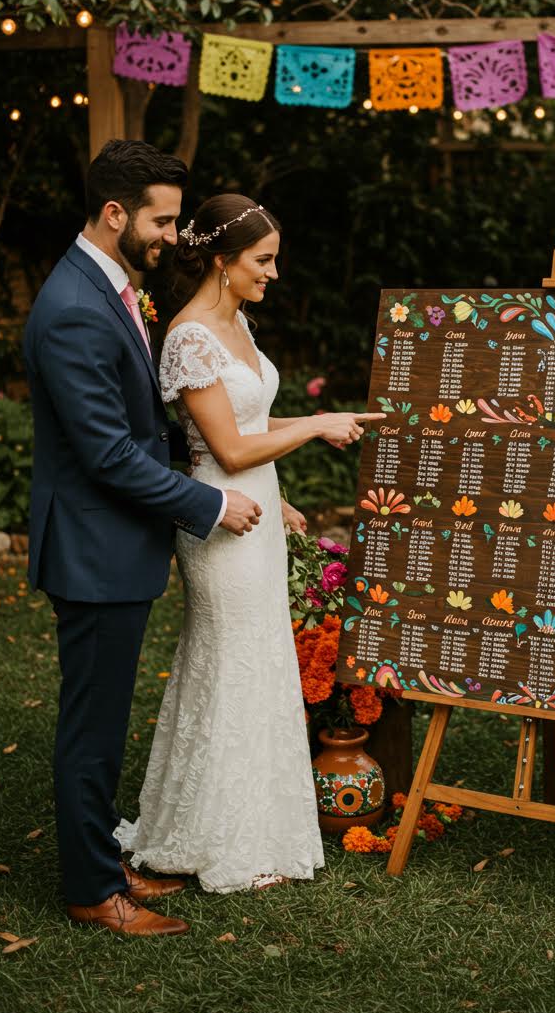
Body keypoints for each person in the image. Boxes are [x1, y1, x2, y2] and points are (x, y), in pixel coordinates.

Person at [24, 139, 264, 936]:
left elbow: (140, 426)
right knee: (91, 729)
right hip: (93, 552)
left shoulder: (111, 287)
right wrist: (207, 501)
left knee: (105, 719)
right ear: (115, 213)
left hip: (114, 545)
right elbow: (107, 453)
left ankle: (104, 861)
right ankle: (93, 892)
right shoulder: (69, 309)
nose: (172, 235)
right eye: (161, 220)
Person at [115, 193, 384, 893]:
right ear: (221, 260)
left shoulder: (239, 323)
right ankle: (210, 836)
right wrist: (317, 423)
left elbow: (250, 421)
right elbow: (227, 451)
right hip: (219, 522)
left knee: (261, 661)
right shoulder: (189, 336)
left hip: (258, 512)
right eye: (262, 261)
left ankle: (257, 827)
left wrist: (283, 493)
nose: (272, 274)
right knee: (227, 661)